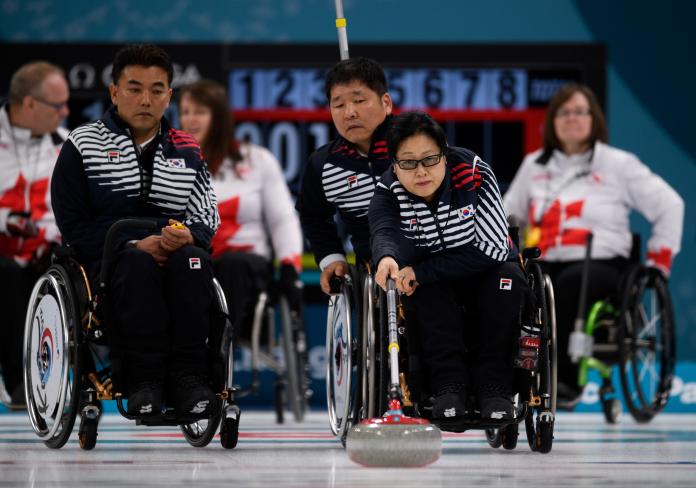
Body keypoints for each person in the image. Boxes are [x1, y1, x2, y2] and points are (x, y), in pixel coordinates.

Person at [51, 44, 220, 417]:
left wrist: (190, 235)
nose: (146, 99)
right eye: (134, 88)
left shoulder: (188, 149)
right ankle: (145, 381)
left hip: (175, 257)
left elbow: (207, 214)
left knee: (194, 262)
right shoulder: (82, 144)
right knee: (136, 265)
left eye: (157, 89)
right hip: (108, 266)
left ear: (169, 95)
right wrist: (132, 243)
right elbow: (73, 225)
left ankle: (189, 378)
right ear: (114, 92)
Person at [503, 83, 684, 408]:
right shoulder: (535, 165)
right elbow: (507, 213)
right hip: (545, 261)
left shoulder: (619, 164)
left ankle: (566, 381)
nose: (572, 118)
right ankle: (508, 379)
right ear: (553, 120)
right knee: (511, 286)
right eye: (563, 112)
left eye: (580, 111)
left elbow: (670, 205)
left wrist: (659, 263)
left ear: (594, 119)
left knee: (568, 285)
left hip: (601, 265)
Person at [369, 111, 525, 420]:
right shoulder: (388, 189)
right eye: (408, 163)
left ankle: (495, 387)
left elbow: (493, 249)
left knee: (508, 279)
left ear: (445, 153)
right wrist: (386, 257)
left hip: (488, 269)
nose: (421, 172)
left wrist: (423, 271)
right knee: (422, 290)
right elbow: (383, 230)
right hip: (434, 280)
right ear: (395, 166)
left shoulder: (473, 172)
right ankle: (448, 386)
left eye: (429, 159)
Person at [178, 79, 303, 340]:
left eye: (200, 112)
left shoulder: (258, 160)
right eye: (186, 112)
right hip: (195, 264)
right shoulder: (173, 163)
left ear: (219, 117)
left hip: (247, 269)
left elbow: (283, 219)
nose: (190, 120)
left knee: (232, 266)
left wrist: (290, 267)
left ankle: (217, 354)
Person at [0, 61, 69, 409]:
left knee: (63, 267)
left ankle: (51, 382)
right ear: (28, 104)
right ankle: (19, 383)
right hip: (3, 257)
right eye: (58, 106)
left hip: (45, 254)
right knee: (8, 273)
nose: (66, 112)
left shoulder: (70, 145)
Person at [296, 57, 393, 292]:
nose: (349, 113)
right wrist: (331, 258)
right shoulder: (322, 164)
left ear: (386, 103)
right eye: (338, 105)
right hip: (371, 275)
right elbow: (312, 217)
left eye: (360, 100)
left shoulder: (416, 145)